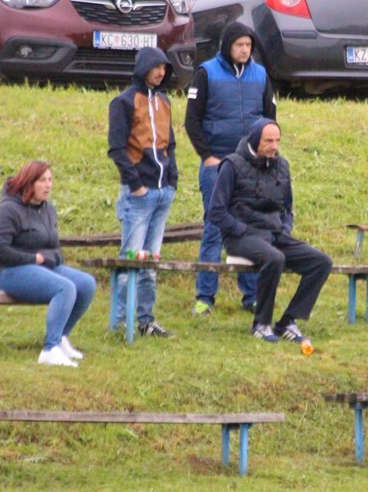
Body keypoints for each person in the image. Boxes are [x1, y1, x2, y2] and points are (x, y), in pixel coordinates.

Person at [208, 119, 332, 344]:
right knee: (275, 258)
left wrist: (285, 228)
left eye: (277, 140)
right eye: (268, 141)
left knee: (321, 261)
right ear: (255, 140)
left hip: (275, 234)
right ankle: (261, 323)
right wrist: (240, 228)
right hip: (241, 237)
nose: (274, 146)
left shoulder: (282, 165)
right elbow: (216, 211)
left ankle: (288, 321)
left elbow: (287, 208)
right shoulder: (232, 165)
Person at [185, 22, 276, 316]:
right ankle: (204, 296)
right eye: (240, 45)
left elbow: (268, 118)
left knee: (248, 229)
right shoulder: (206, 73)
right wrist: (207, 155)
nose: (245, 50)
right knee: (214, 228)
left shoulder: (260, 74)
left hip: (250, 166)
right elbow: (192, 120)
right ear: (227, 46)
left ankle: (250, 295)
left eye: (249, 45)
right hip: (217, 163)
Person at [0, 160, 96, 367]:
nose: (48, 186)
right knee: (64, 287)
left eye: (50, 180)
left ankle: (62, 336)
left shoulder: (49, 210)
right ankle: (50, 349)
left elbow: (54, 247)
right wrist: (33, 258)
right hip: (8, 271)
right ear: (29, 183)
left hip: (41, 267)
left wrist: (50, 258)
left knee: (86, 283)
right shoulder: (8, 210)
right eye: (42, 181)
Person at [108, 46, 179, 338]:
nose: (161, 72)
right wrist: (135, 184)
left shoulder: (164, 101)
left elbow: (170, 144)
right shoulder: (123, 102)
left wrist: (172, 180)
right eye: (156, 66)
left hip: (163, 193)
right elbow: (117, 148)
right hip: (138, 194)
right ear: (143, 68)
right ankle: (121, 322)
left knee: (151, 263)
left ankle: (146, 319)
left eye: (164, 68)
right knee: (130, 261)